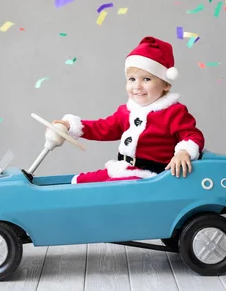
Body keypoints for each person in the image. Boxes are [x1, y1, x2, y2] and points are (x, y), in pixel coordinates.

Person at [53, 36, 205, 184]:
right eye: (132, 79)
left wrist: (183, 152)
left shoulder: (173, 112)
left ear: (166, 84)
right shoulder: (126, 111)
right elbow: (103, 128)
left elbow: (192, 135)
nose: (137, 86)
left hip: (152, 177)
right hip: (124, 169)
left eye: (146, 79)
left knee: (100, 190)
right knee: (80, 182)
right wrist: (70, 125)